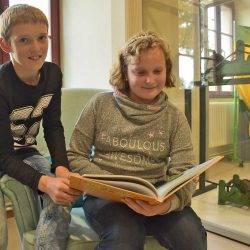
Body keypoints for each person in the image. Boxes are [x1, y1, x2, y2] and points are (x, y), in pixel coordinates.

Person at [67, 31, 207, 250]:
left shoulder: (174, 117)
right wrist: (111, 186)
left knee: (192, 239)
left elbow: (185, 171)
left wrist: (164, 205)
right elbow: (75, 155)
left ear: (167, 70)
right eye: (139, 72)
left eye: (157, 71)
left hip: (156, 198)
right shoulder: (100, 105)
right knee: (124, 237)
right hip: (106, 197)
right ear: (124, 72)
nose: (150, 79)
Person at [0, 4, 81, 250]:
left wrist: (61, 168)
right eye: (24, 40)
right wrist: (44, 182)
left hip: (26, 153)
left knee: (62, 193)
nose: (36, 48)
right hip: (3, 154)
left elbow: (53, 126)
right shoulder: (2, 85)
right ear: (6, 45)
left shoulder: (53, 74)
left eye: (41, 38)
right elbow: (3, 156)